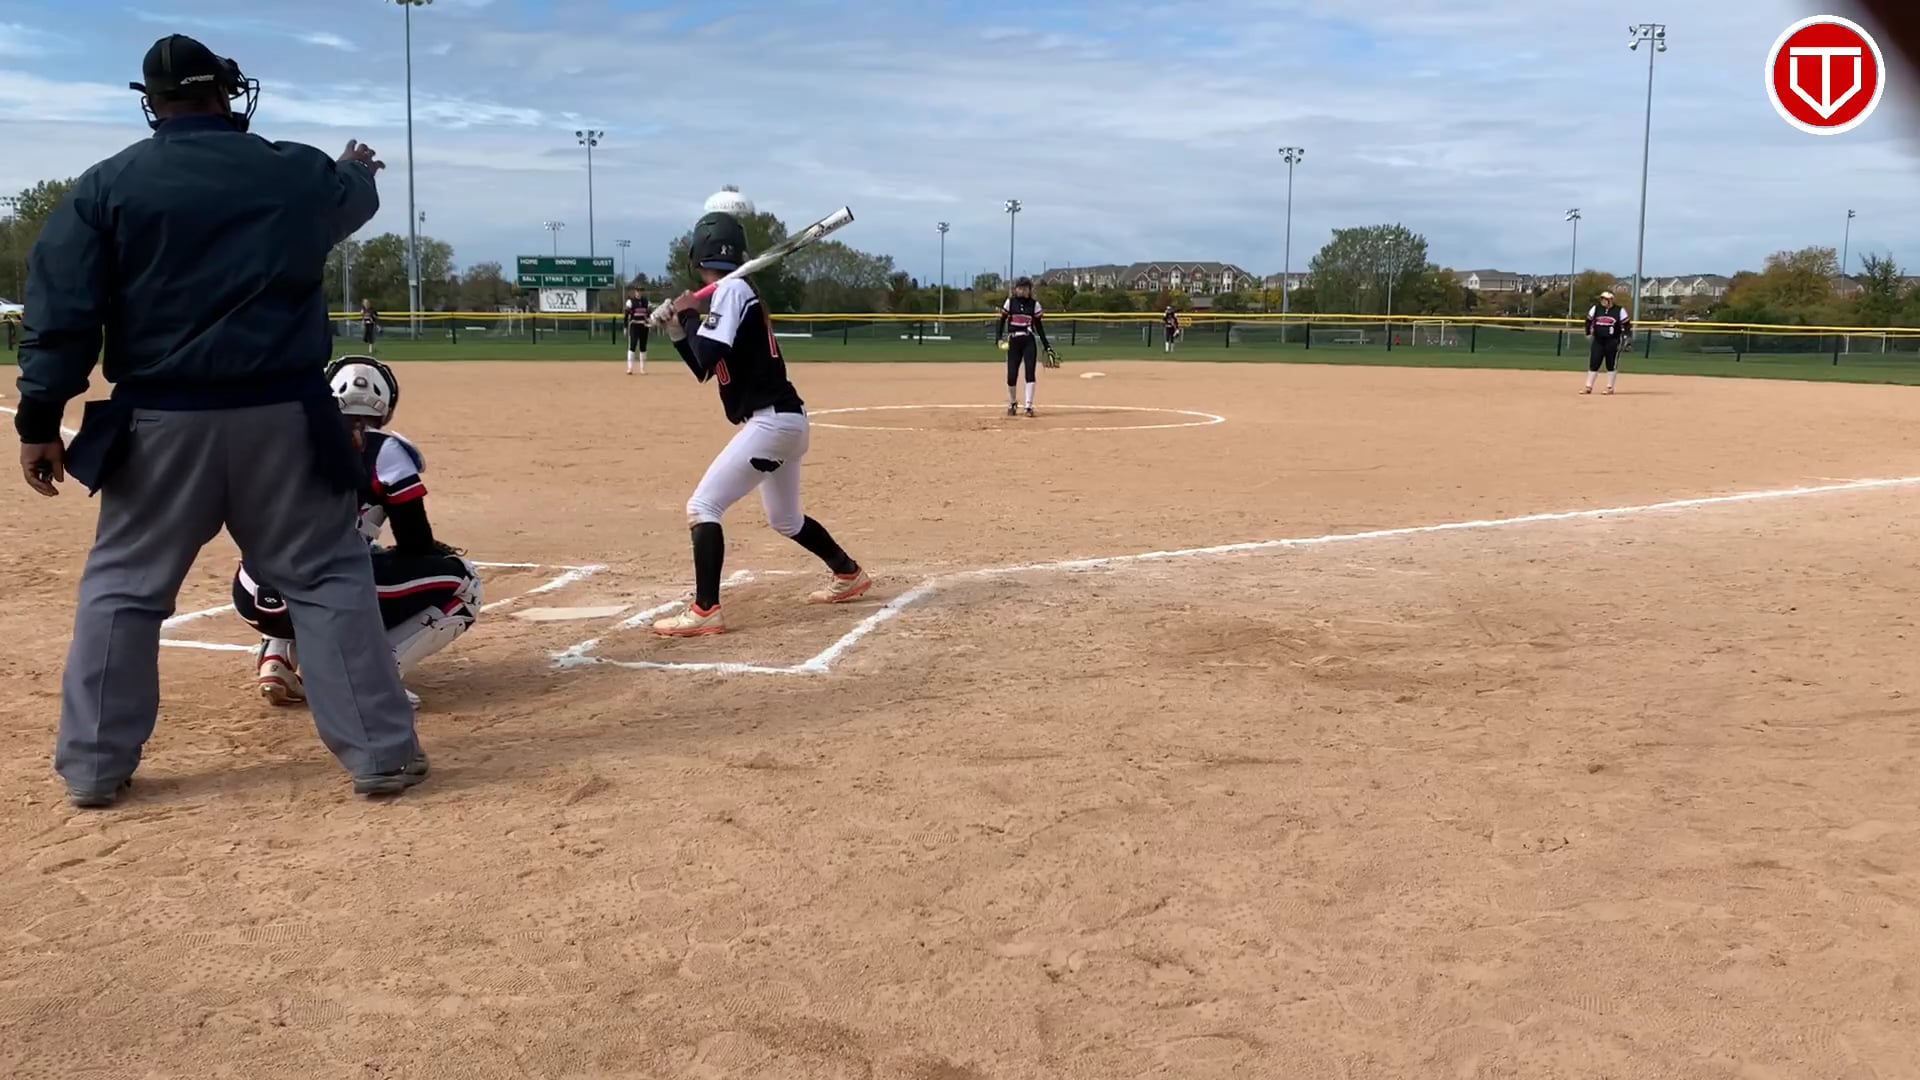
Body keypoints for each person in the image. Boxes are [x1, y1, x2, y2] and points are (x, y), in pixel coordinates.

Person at [13, 33, 427, 807]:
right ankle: (380, 753)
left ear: (152, 103)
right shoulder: (293, 172)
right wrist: (357, 168)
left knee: (124, 589)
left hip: (161, 421)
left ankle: (94, 767)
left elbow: (61, 313)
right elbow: (349, 196)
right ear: (229, 92)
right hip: (286, 418)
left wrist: (39, 416)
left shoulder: (105, 187)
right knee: (326, 577)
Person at [653, 210, 872, 637]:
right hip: (784, 422)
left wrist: (690, 313)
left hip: (772, 424)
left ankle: (705, 610)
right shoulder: (733, 293)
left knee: (703, 507)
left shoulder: (732, 290)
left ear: (698, 252)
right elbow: (704, 367)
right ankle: (848, 573)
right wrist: (680, 328)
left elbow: (708, 353)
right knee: (785, 519)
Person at [236, 356, 481, 710]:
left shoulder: (284, 437)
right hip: (327, 592)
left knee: (294, 557)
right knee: (464, 583)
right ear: (386, 405)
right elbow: (414, 540)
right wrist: (425, 552)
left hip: (251, 595)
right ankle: (375, 678)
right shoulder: (385, 450)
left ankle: (277, 660)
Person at [995, 277, 1057, 418]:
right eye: (1020, 288)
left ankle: (1028, 406)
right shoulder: (1010, 303)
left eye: (1025, 288)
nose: (1022, 291)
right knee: (1011, 375)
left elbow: (1039, 327)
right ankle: (1012, 402)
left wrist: (1047, 346)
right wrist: (998, 338)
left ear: (1030, 290)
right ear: (1016, 289)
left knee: (1030, 373)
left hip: (1028, 341)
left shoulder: (1034, 305)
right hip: (1013, 341)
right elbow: (1001, 320)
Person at [1583, 289, 1632, 395]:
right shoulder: (1596, 308)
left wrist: (1627, 337)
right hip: (1598, 339)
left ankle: (1610, 387)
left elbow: (1627, 325)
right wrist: (1587, 333)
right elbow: (1588, 321)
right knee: (1594, 362)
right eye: (1602, 299)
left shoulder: (1619, 310)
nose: (1603, 301)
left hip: (1613, 340)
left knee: (1611, 363)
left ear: (1611, 300)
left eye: (1605, 299)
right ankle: (1588, 387)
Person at [623, 287, 650, 375]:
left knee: (643, 347)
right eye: (638, 291)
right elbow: (626, 315)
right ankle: (630, 368)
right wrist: (625, 326)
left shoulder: (646, 302)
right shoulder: (630, 302)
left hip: (644, 326)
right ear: (635, 292)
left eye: (641, 291)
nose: (639, 293)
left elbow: (649, 314)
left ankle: (642, 368)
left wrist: (649, 322)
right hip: (634, 325)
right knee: (632, 345)